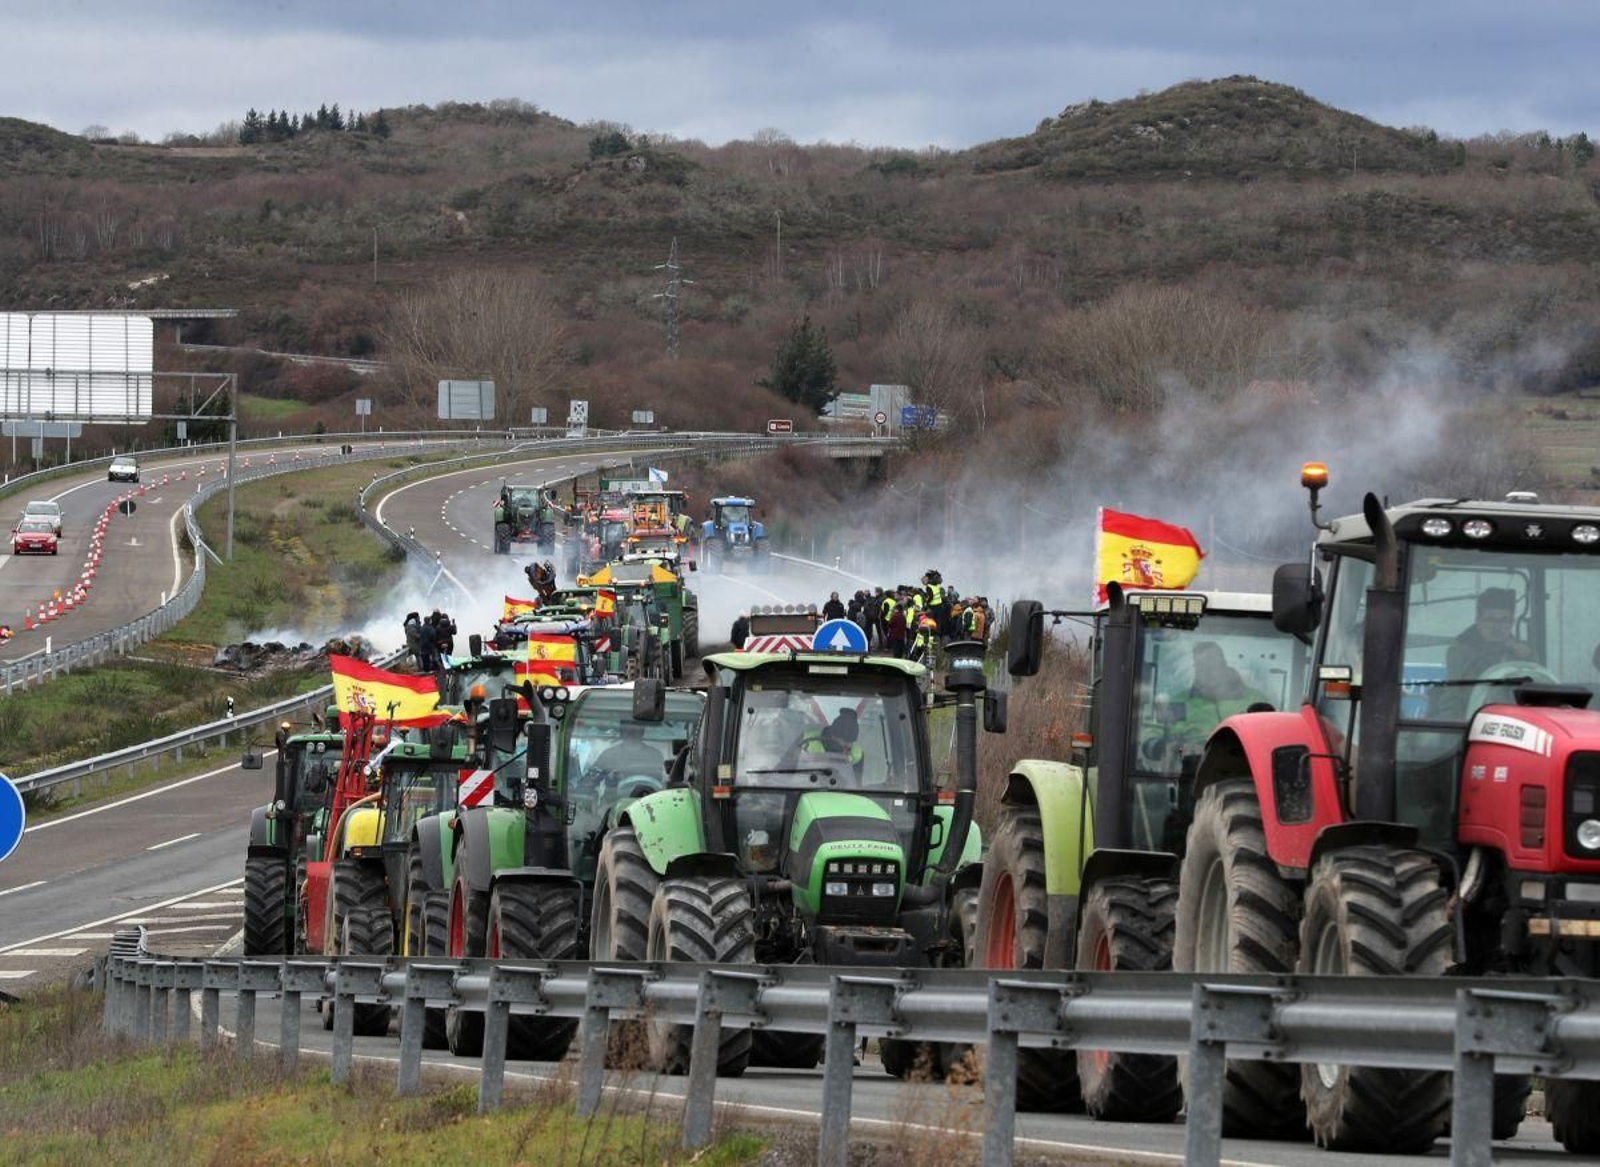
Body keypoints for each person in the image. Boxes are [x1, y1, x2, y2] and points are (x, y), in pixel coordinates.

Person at [1436, 587, 1538, 719]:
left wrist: (1530, 657)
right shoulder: (1460, 649)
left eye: (1504, 620)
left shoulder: (1522, 652)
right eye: (1490, 620)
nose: (1497, 626)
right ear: (1478, 621)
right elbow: (1467, 691)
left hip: (1511, 716)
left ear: (1512, 622)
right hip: (1462, 715)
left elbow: (1538, 681)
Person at [587, 721, 665, 787]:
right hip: (613, 802)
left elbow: (661, 781)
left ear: (642, 731)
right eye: (627, 729)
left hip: (647, 799)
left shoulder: (654, 755)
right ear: (621, 732)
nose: (631, 732)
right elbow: (591, 779)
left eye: (634, 729)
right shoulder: (608, 755)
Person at [793, 709, 865, 776]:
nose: (848, 747)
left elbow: (858, 783)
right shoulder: (805, 740)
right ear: (832, 735)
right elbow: (786, 768)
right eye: (844, 743)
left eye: (851, 742)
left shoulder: (857, 752)